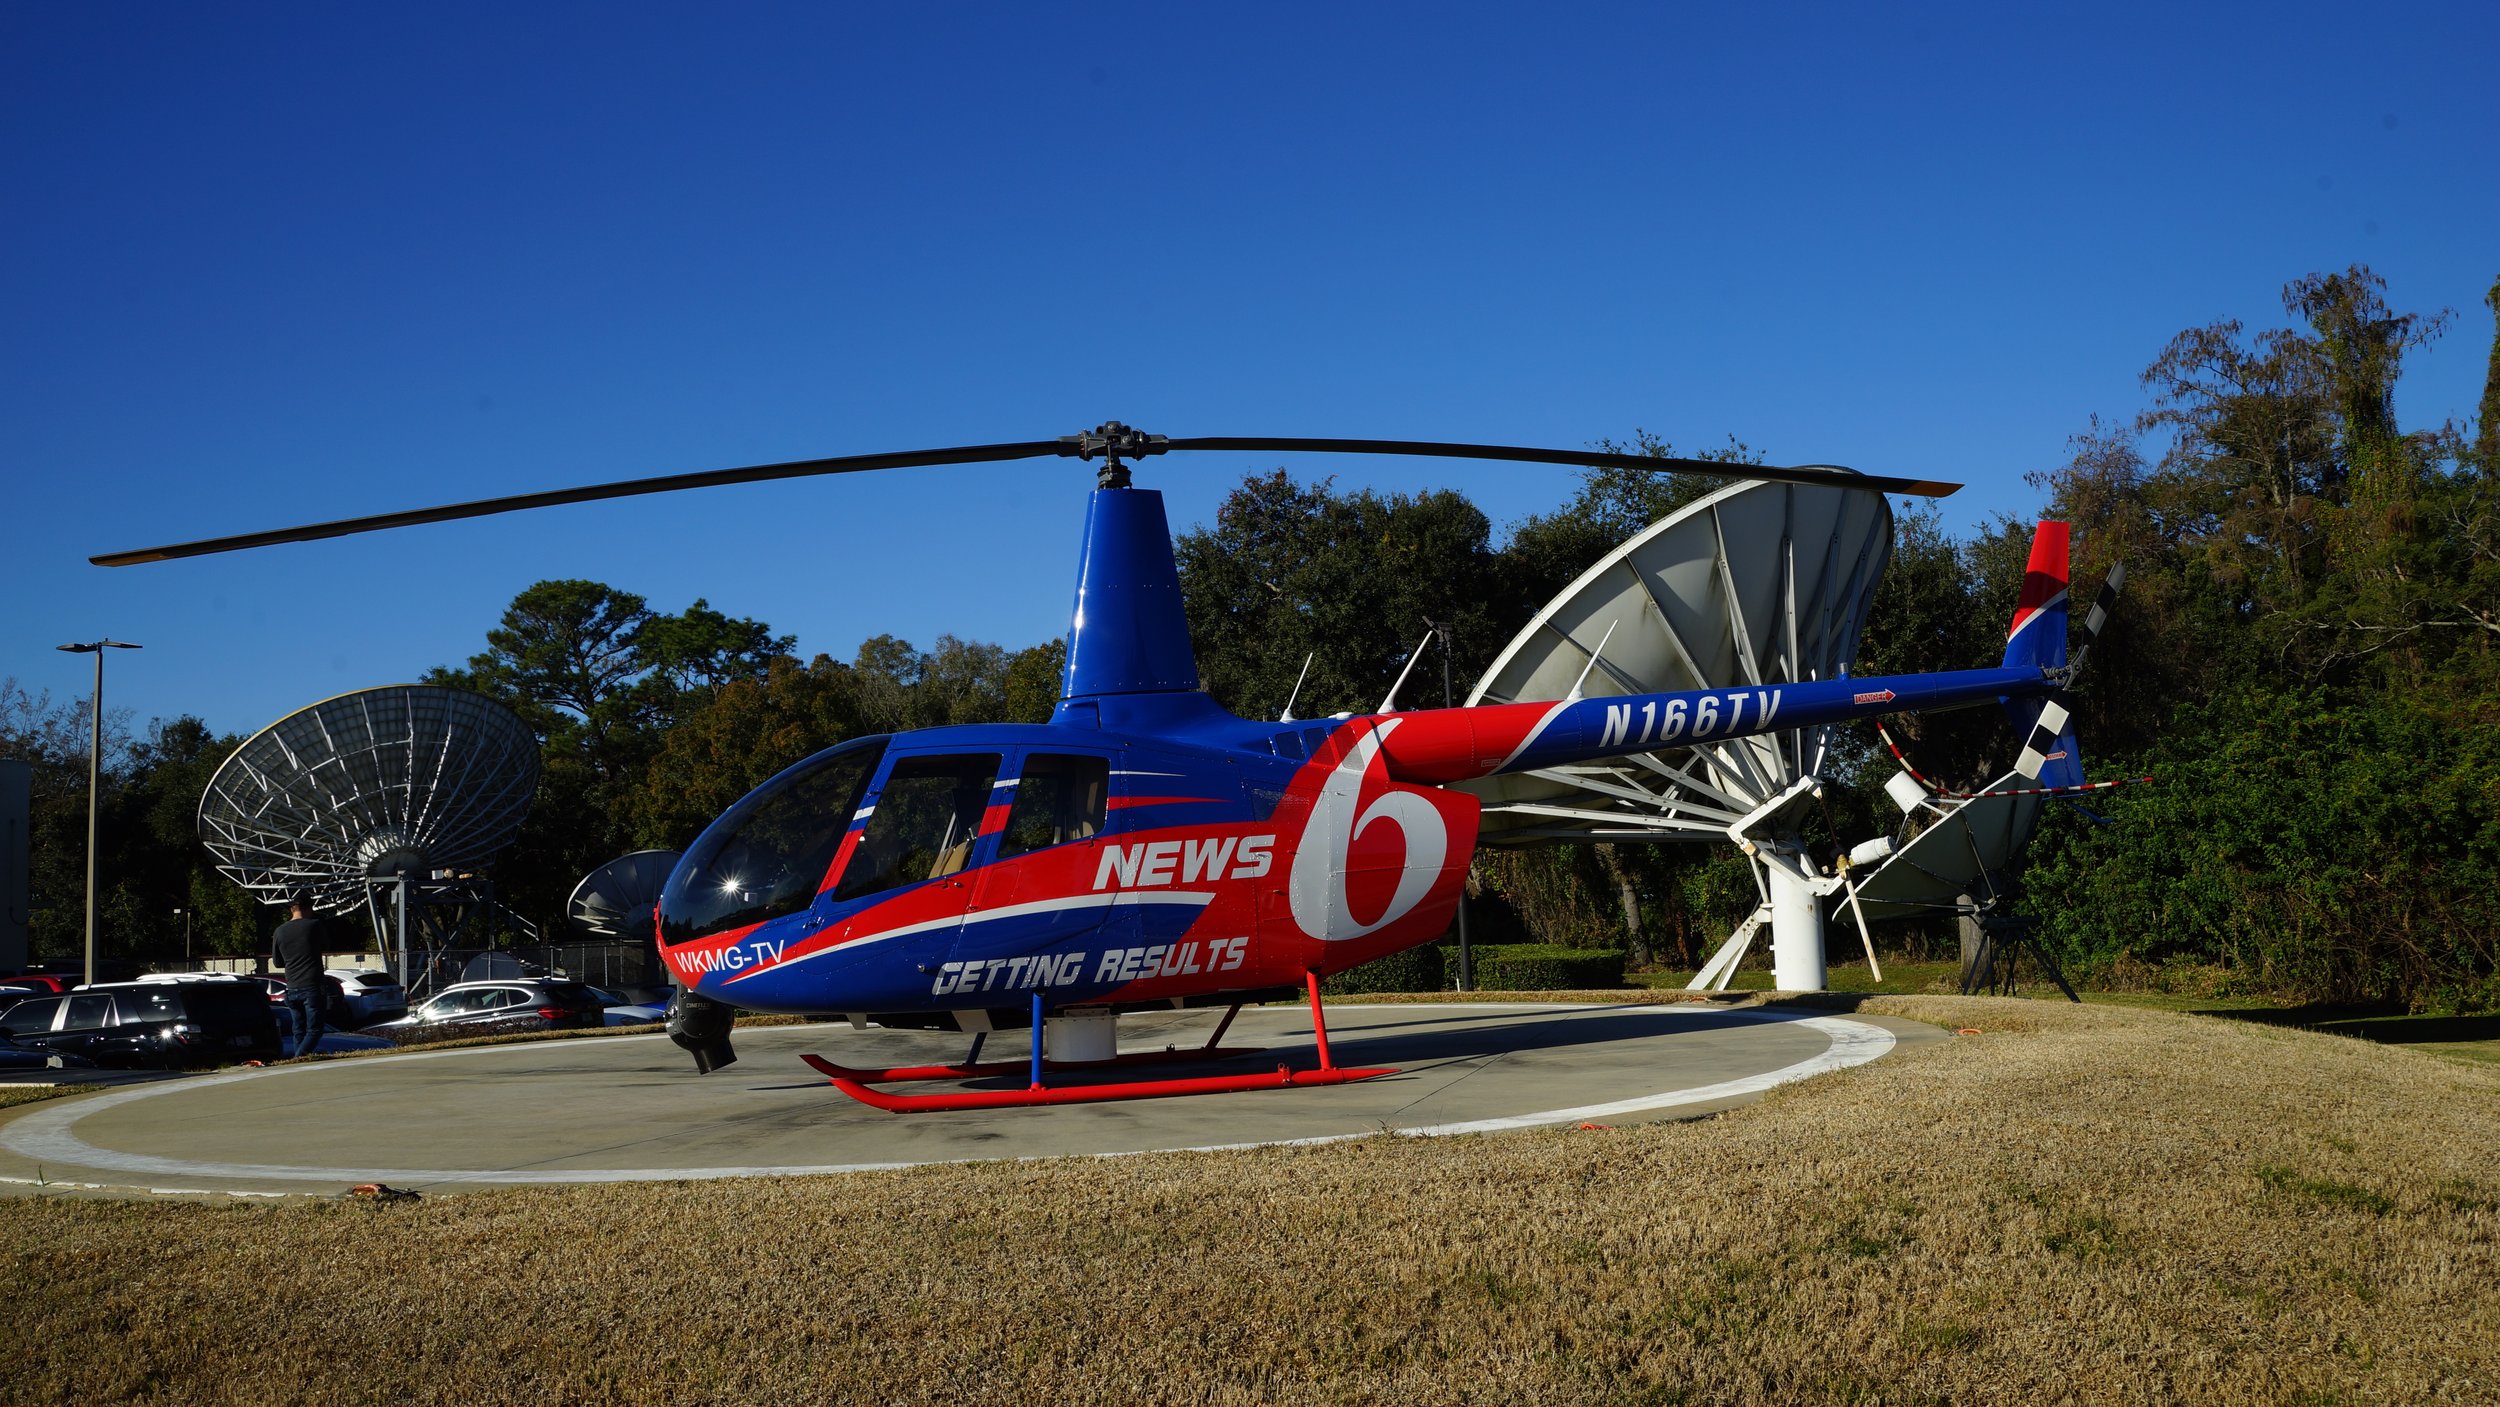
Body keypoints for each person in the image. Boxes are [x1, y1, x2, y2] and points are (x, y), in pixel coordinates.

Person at [269, 891, 332, 1059]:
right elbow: (325, 946)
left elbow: (278, 962)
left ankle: (300, 1060)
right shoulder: (314, 925)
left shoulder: (279, 931)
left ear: (292, 909)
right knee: (315, 1030)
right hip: (312, 985)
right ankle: (299, 1058)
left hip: (291, 986)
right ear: (309, 908)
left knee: (299, 1030)